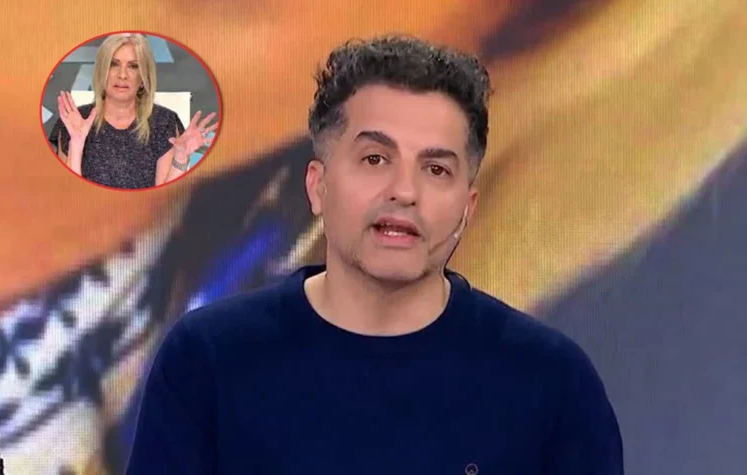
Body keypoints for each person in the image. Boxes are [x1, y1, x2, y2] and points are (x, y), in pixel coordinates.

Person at [125, 35, 623, 474]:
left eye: (436, 169)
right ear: (317, 187)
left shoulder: (551, 383)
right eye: (375, 159)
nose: (404, 191)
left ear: (466, 207)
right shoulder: (208, 360)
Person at [48, 33, 218, 189]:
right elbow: (69, 198)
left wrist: (180, 158)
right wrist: (76, 143)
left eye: (133, 66)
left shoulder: (163, 122)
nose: (122, 75)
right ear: (101, 71)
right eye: (113, 64)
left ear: (143, 77)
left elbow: (165, 200)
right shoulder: (75, 120)